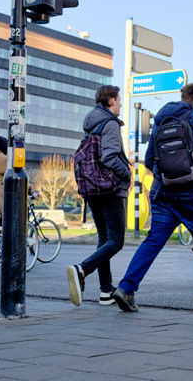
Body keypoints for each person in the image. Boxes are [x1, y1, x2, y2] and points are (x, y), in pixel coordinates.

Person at [113, 83, 193, 311]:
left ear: (182, 96)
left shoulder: (160, 119)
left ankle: (126, 288)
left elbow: (149, 159)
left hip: (163, 191)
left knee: (153, 241)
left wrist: (164, 176)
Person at [67, 85, 130, 307]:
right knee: (116, 240)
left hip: (92, 189)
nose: (121, 103)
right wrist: (128, 173)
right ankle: (82, 269)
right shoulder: (110, 123)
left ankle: (105, 291)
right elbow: (111, 157)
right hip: (110, 189)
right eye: (119, 99)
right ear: (111, 100)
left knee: (104, 239)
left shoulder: (91, 124)